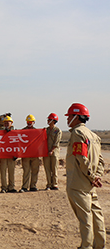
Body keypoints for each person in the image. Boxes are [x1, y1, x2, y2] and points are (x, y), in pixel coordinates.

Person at [65, 103, 105, 249]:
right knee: (97, 217)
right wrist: (96, 177)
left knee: (85, 219)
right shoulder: (94, 136)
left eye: (69, 116)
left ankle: (86, 246)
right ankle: (100, 245)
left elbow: (81, 158)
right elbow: (100, 160)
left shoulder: (78, 134)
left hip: (79, 184)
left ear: (76, 117)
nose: (68, 119)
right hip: (90, 185)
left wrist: (92, 177)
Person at [19, 114, 40, 192]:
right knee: (26, 171)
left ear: (34, 122)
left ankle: (33, 186)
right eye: (28, 121)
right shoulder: (22, 131)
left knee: (35, 170)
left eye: (30, 121)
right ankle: (25, 186)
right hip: (26, 155)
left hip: (35, 155)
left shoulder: (38, 132)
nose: (29, 123)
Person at [0, 115, 17, 193]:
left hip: (11, 155)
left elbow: (17, 144)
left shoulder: (15, 132)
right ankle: (4, 187)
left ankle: (11, 187)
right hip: (2, 155)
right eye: (5, 123)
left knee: (11, 172)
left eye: (8, 122)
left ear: (11, 123)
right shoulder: (0, 132)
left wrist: (16, 154)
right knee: (3, 172)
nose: (6, 124)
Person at [44, 113, 61, 191]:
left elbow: (56, 142)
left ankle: (55, 184)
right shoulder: (45, 130)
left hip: (54, 152)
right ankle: (49, 184)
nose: (48, 121)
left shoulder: (57, 131)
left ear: (53, 121)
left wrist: (52, 150)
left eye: (49, 119)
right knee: (47, 169)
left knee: (54, 168)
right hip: (45, 152)